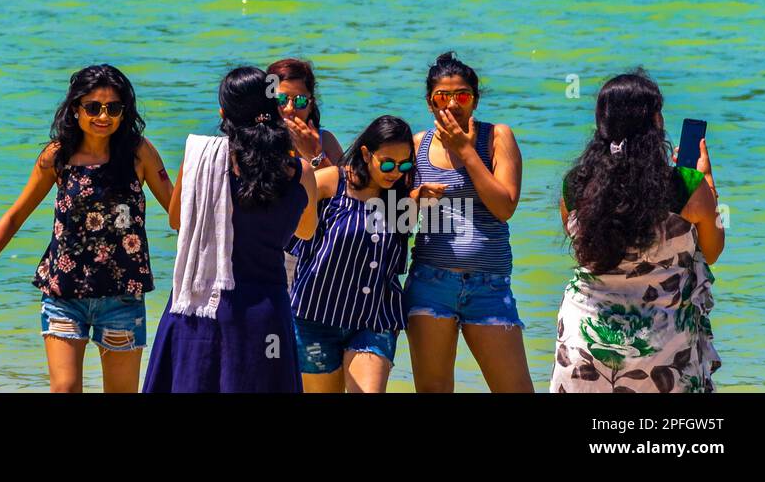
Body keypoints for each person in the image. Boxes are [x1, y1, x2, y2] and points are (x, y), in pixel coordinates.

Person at [0, 64, 171, 392]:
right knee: (65, 388)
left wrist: (197, 170)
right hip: (63, 293)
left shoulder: (139, 153)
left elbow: (178, 214)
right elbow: (16, 215)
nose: (104, 116)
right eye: (93, 107)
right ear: (75, 110)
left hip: (122, 295)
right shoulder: (57, 157)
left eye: (114, 108)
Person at [143, 66, 318, 392]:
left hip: (199, 302)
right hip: (265, 310)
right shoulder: (298, 170)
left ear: (224, 112)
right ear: (273, 107)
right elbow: (306, 233)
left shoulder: (200, 159)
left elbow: (176, 220)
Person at [551, 71, 723, 393]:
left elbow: (584, 253)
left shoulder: (575, 186)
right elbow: (712, 250)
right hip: (663, 348)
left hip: (585, 339)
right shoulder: (686, 185)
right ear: (656, 122)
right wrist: (708, 182)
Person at [405, 52, 534, 392]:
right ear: (429, 102)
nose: (452, 104)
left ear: (475, 99)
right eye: (442, 97)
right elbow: (395, 221)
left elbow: (504, 206)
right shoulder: (417, 146)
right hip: (431, 284)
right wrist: (416, 200)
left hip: (489, 286)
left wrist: (466, 152)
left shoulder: (497, 138)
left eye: (461, 95)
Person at [291, 115, 436, 392]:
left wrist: (416, 201)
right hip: (315, 317)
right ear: (366, 154)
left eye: (405, 164)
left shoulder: (398, 197)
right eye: (389, 163)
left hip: (374, 318)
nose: (396, 172)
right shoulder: (331, 183)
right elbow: (289, 219)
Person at [266, 58, 344, 290]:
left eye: (299, 101)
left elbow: (346, 199)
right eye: (281, 99)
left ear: (311, 104)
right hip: (268, 248)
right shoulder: (256, 142)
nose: (290, 109)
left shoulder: (325, 140)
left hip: (314, 253)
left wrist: (314, 154)